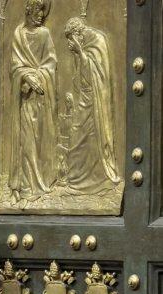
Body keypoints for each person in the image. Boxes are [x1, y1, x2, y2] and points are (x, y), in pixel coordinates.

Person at [9, 0, 58, 207]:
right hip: (24, 99)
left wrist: (38, 76)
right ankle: (23, 186)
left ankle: (39, 183)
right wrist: (25, 77)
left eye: (44, 12)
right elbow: (14, 67)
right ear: (29, 10)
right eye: (38, 11)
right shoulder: (18, 34)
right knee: (25, 141)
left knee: (38, 141)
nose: (42, 15)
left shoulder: (45, 34)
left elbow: (51, 63)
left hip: (41, 98)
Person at [64, 17, 120, 194]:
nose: (70, 43)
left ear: (79, 33)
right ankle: (76, 179)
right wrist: (79, 53)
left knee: (90, 138)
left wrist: (80, 52)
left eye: (71, 38)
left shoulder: (97, 41)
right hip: (84, 100)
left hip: (95, 101)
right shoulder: (82, 44)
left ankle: (96, 181)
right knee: (76, 136)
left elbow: (97, 75)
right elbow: (79, 79)